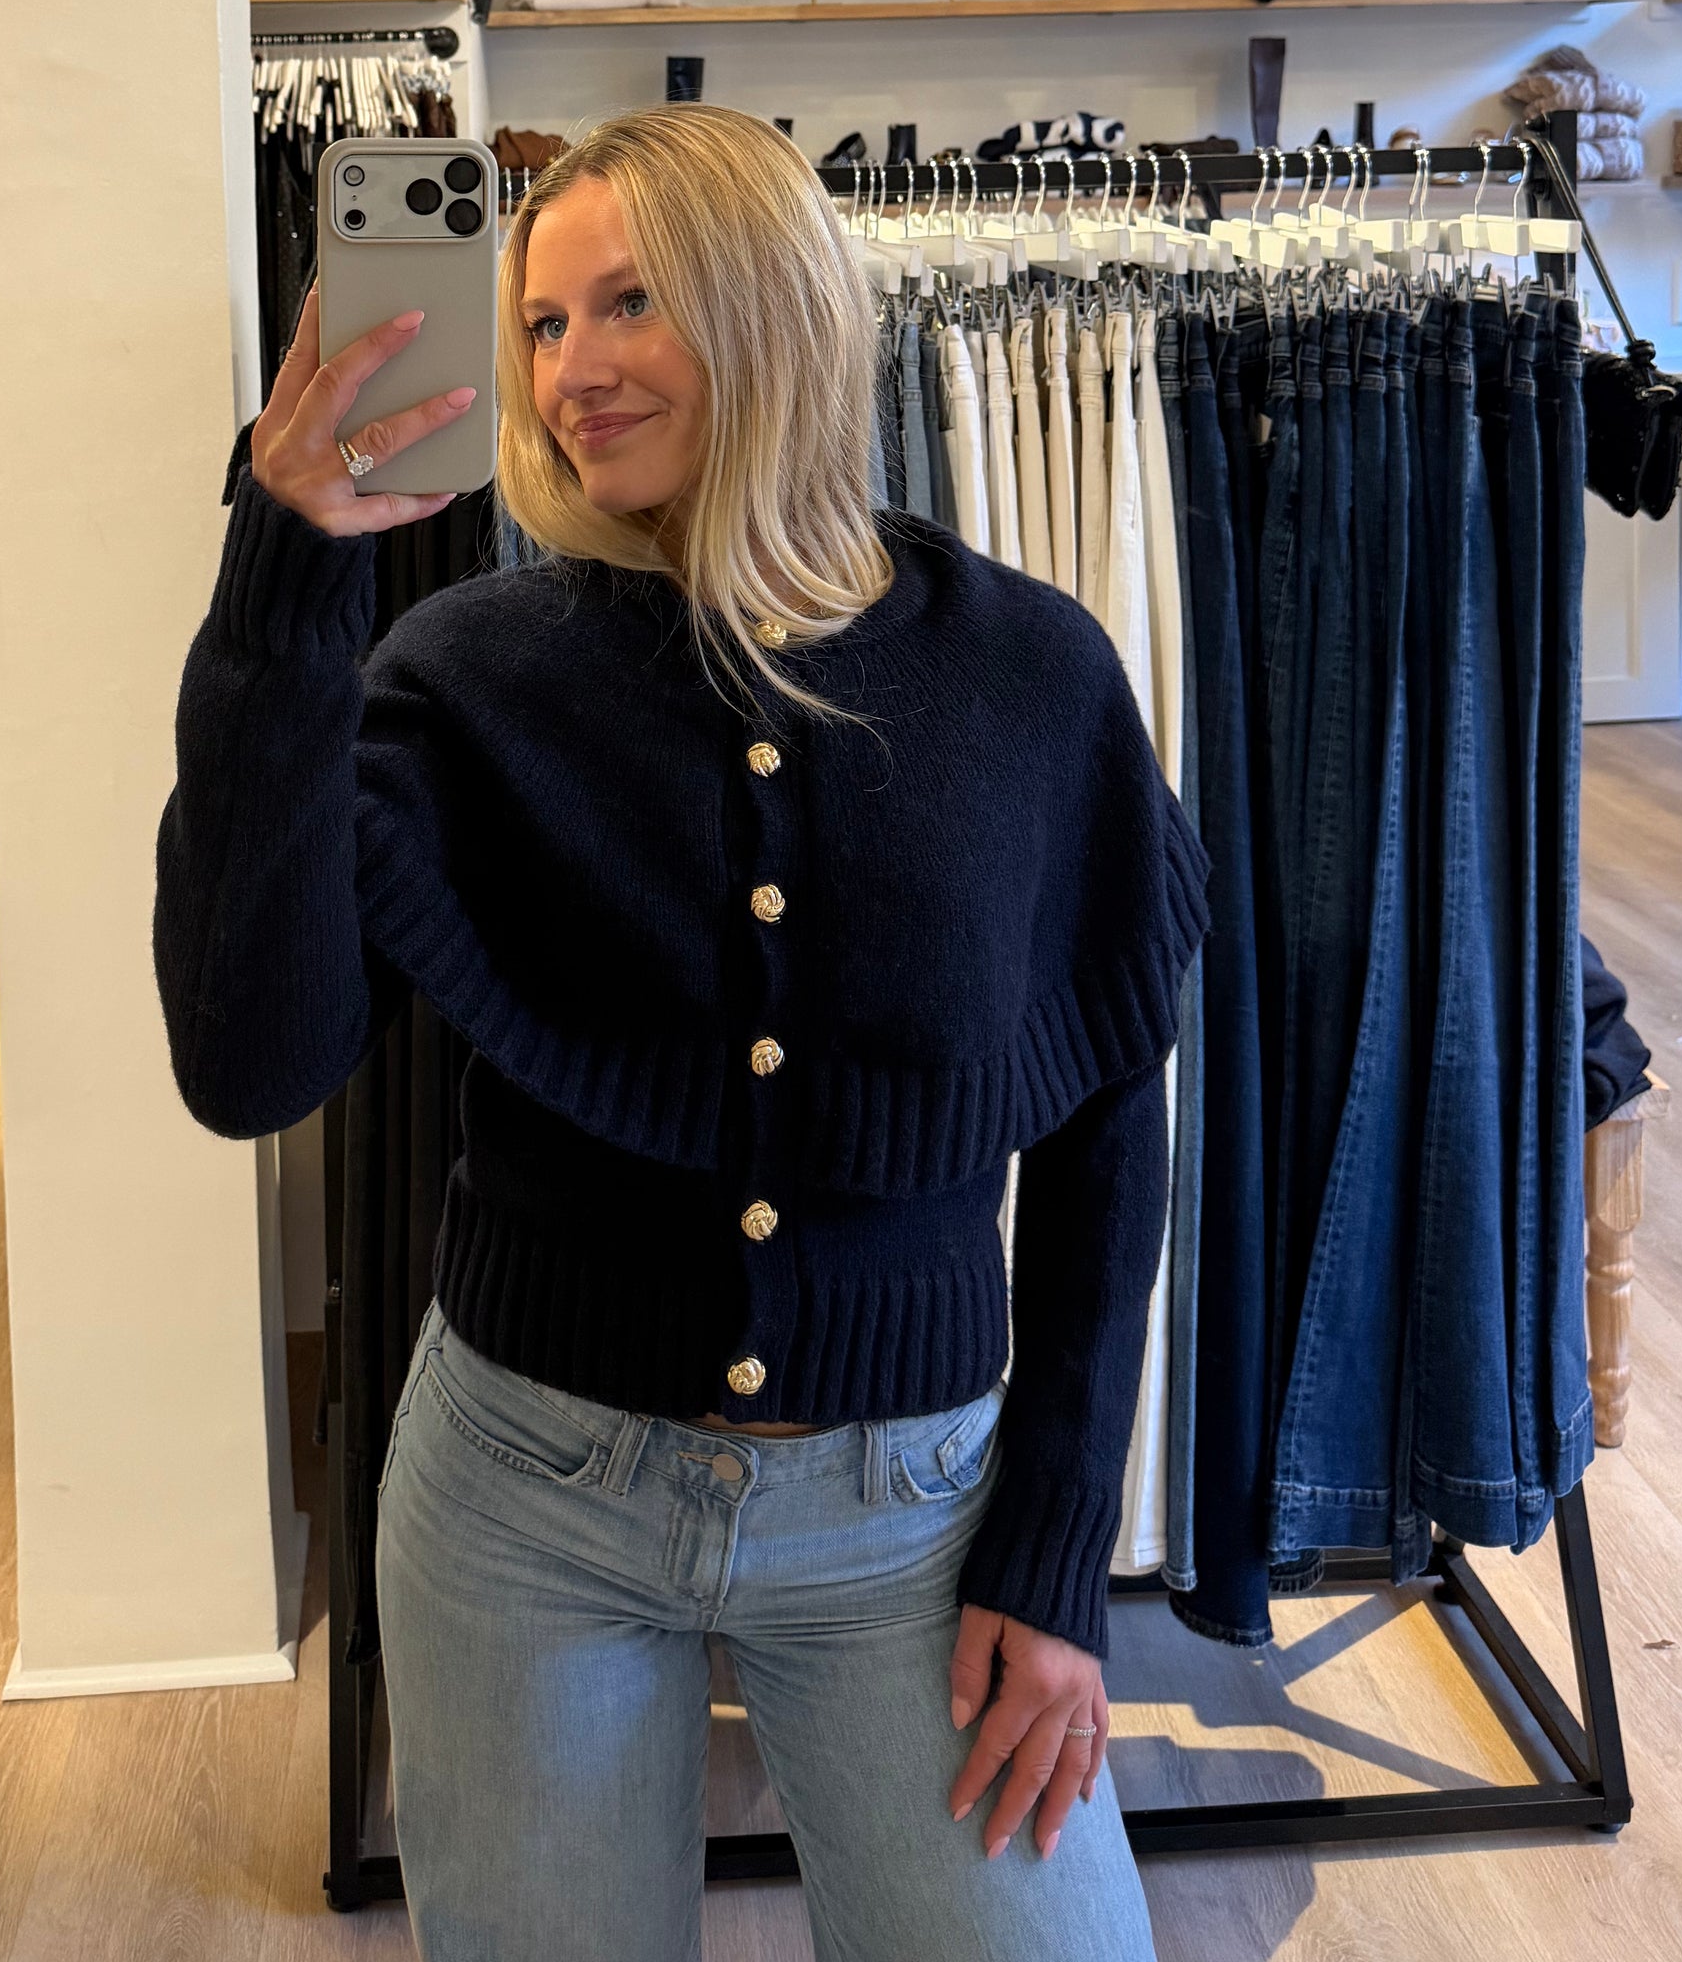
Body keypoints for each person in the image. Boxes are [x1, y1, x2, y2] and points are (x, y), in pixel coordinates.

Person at [155, 107, 1204, 1962]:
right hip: (523, 1505)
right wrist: (283, 580)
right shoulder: (463, 677)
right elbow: (250, 1063)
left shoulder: (1028, 675)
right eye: (542, 323)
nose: (575, 368)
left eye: (631, 302)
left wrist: (1056, 1552)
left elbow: (1111, 1120)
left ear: (772, 301)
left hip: (909, 1516)